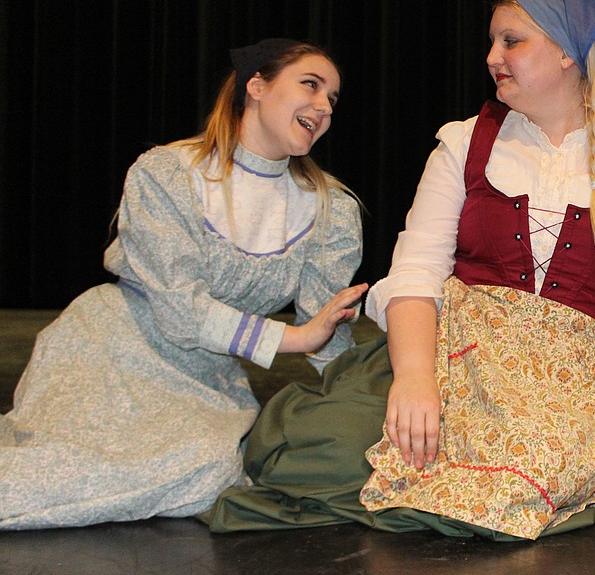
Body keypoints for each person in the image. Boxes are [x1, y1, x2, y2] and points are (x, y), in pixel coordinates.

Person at [202, 0, 595, 540]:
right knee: (305, 453)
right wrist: (415, 380)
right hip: (455, 353)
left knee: (510, 494)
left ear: (568, 51)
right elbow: (417, 274)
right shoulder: (465, 142)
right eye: (493, 42)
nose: (492, 57)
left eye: (511, 42)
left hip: (566, 382)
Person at [0, 39, 367, 530]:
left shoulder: (331, 209)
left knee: (209, 468)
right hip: (108, 350)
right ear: (255, 86)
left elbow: (327, 331)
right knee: (70, 463)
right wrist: (295, 339)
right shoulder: (168, 173)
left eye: (333, 98)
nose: (323, 106)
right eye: (310, 85)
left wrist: (370, 398)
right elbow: (179, 310)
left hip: (206, 377)